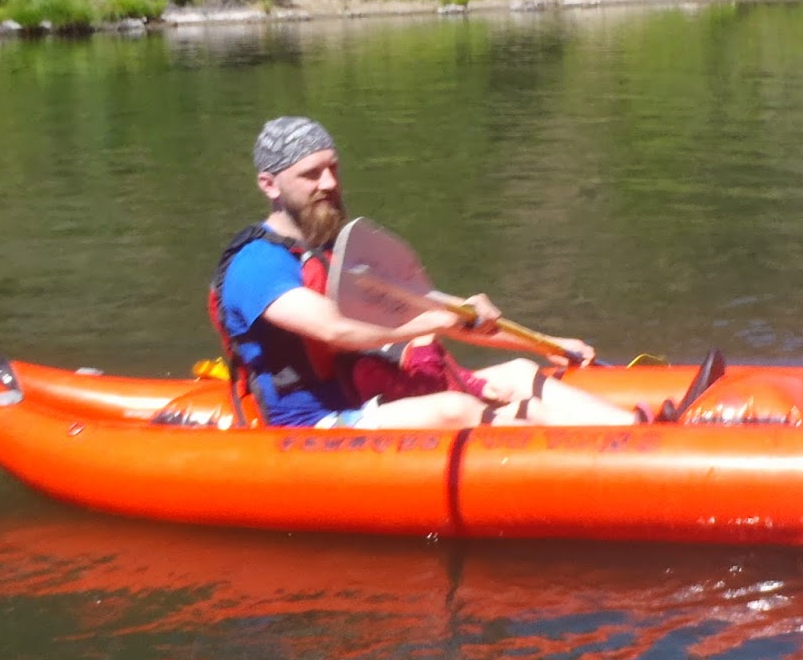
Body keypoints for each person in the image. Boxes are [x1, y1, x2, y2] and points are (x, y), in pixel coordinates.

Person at [214, 117, 639, 430]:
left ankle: (643, 434)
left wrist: (548, 343)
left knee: (520, 372)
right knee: (456, 408)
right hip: (315, 424)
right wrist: (438, 320)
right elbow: (335, 330)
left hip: (366, 397)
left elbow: (431, 307)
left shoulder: (331, 250)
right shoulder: (255, 265)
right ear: (270, 185)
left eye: (333, 168)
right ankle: (603, 467)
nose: (328, 182)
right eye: (310, 174)